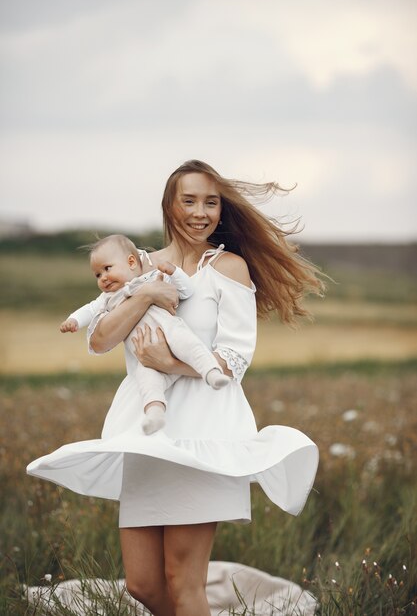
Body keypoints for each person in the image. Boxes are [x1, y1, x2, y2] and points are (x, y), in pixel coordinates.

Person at [27, 160, 324, 616]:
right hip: (147, 434)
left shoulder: (229, 267)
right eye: (189, 200)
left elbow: (235, 360)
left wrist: (170, 363)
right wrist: (144, 294)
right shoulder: (137, 266)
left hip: (205, 432)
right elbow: (101, 339)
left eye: (211, 202)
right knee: (144, 585)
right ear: (169, 205)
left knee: (184, 585)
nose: (201, 212)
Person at [60, 233, 230, 434]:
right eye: (97, 275)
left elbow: (186, 291)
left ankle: (211, 372)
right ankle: (155, 414)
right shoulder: (107, 298)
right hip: (146, 359)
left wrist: (174, 272)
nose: (103, 277)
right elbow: (89, 310)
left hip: (169, 333)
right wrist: (73, 320)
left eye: (107, 269)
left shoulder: (151, 278)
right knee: (147, 380)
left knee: (189, 344)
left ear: (131, 262)